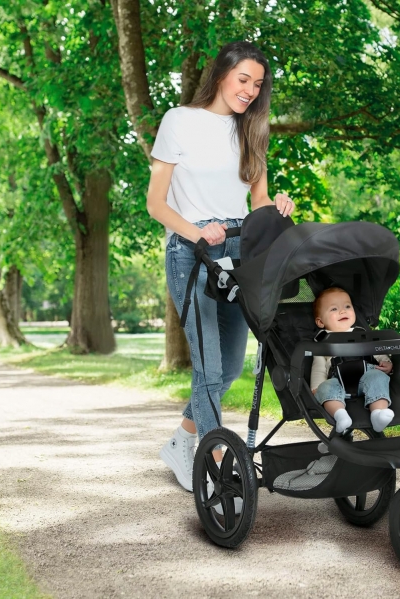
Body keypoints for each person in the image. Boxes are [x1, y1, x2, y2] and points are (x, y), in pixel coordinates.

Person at [146, 41, 295, 492]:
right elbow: (156, 204)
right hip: (192, 253)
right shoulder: (179, 121)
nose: (250, 90)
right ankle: (213, 464)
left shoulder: (252, 131)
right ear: (221, 75)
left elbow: (258, 200)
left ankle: (181, 439)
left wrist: (277, 205)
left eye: (258, 84)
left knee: (229, 367)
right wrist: (196, 233)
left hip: (238, 251)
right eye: (243, 79)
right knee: (209, 368)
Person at [310, 287, 395, 434]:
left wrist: (386, 362)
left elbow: (376, 350)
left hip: (365, 378)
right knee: (326, 387)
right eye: (334, 309)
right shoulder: (322, 342)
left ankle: (378, 414)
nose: (343, 311)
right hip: (338, 382)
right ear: (320, 322)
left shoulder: (361, 334)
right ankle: (340, 416)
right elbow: (318, 367)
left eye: (347, 306)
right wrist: (317, 387)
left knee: (378, 376)